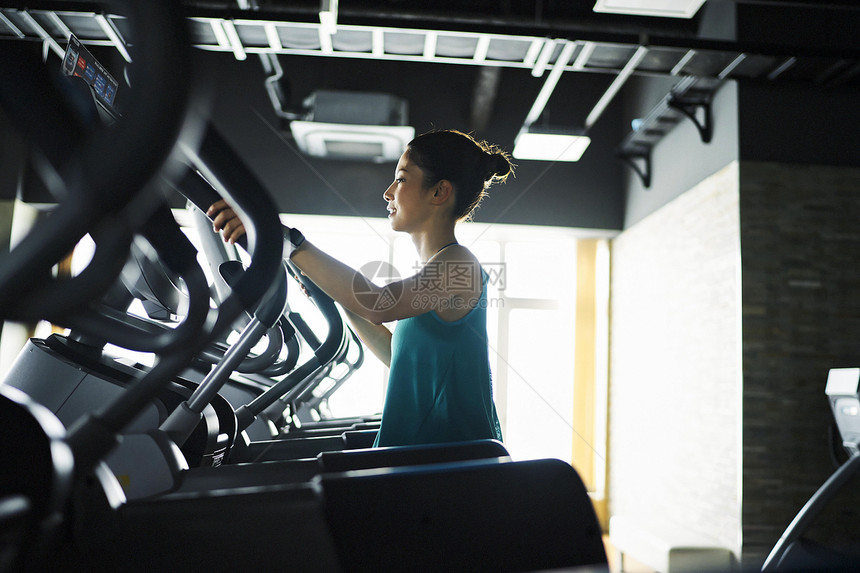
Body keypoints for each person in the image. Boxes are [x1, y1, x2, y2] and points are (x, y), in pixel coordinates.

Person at [208, 129, 514, 447]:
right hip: (419, 454)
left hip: (450, 462)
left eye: (402, 179)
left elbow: (380, 304)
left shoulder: (459, 264)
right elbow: (397, 356)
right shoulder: (436, 270)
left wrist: (289, 243)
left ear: (439, 193)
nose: (388, 192)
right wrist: (332, 293)